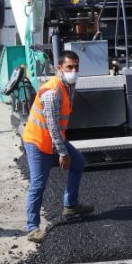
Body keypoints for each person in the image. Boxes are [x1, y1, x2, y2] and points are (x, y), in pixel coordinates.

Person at [22, 50, 94, 243]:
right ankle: (32, 227)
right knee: (38, 184)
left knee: (78, 162)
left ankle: (70, 206)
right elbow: (52, 125)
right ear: (59, 68)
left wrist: (61, 147)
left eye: (76, 67)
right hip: (38, 142)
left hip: (54, 139)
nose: (74, 71)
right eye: (70, 67)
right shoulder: (52, 92)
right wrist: (62, 153)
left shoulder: (68, 85)